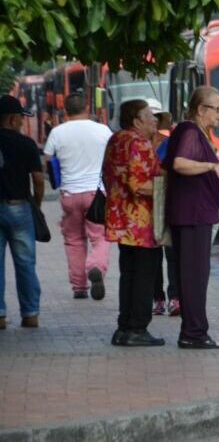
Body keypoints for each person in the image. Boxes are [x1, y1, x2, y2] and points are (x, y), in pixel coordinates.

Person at [162, 86, 219, 349]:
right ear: (201, 109)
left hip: (196, 213)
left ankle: (194, 330)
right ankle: (194, 333)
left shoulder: (194, 131)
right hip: (192, 215)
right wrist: (212, 166)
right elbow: (179, 163)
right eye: (217, 108)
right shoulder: (190, 131)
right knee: (194, 275)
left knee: (196, 274)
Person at [102, 99, 165, 346]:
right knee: (144, 275)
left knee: (128, 273)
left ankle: (124, 327)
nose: (155, 120)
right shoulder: (139, 143)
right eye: (150, 116)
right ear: (137, 121)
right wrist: (167, 189)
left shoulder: (116, 139)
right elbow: (139, 184)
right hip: (140, 222)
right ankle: (138, 328)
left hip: (120, 219)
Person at [43, 92, 113, 300]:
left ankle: (79, 287)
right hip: (96, 194)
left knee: (73, 240)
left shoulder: (57, 132)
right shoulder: (103, 130)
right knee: (101, 237)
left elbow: (47, 159)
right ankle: (96, 267)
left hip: (69, 193)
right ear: (87, 107)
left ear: (65, 110)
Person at [0, 95, 44, 330]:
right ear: (13, 119)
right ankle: (30, 314)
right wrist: (35, 204)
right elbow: (38, 179)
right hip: (19, 208)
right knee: (25, 263)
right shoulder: (25, 144)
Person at [151, 111, 179, 316]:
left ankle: (161, 299)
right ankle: (171, 299)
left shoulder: (148, 145)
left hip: (152, 207)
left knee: (157, 255)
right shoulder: (167, 143)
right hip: (162, 205)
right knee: (168, 255)